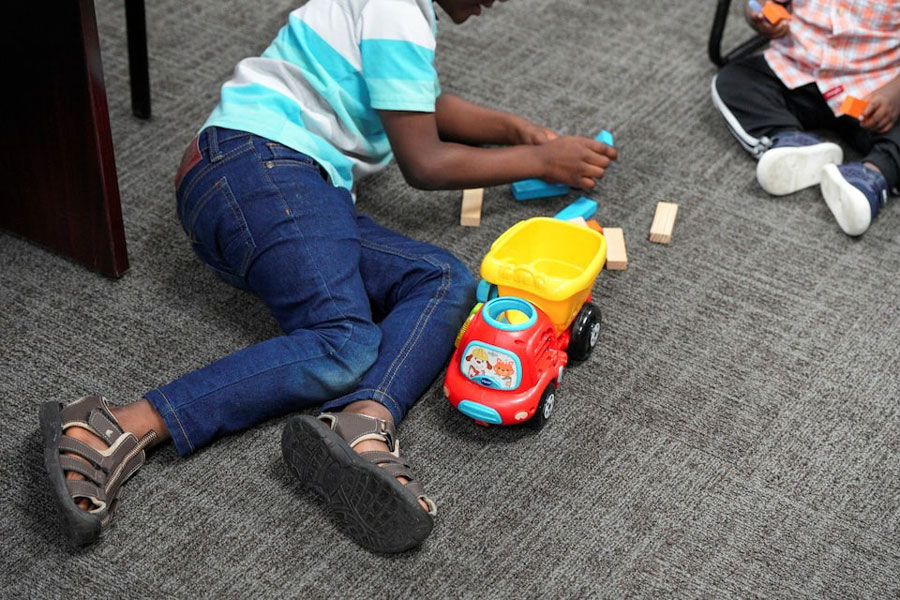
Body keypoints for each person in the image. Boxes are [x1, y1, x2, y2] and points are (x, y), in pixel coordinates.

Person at [39, 0, 617, 554]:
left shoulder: (392, 9)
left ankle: (363, 418)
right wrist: (544, 162)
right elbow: (426, 163)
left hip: (250, 186)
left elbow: (416, 101)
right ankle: (113, 425)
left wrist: (511, 129)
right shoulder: (397, 10)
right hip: (262, 169)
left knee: (444, 279)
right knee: (343, 339)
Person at [711, 0, 899, 236]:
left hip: (870, 94)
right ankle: (792, 141)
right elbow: (757, 4)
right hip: (797, 69)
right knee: (733, 81)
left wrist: (896, 92)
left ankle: (871, 176)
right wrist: (758, 13)